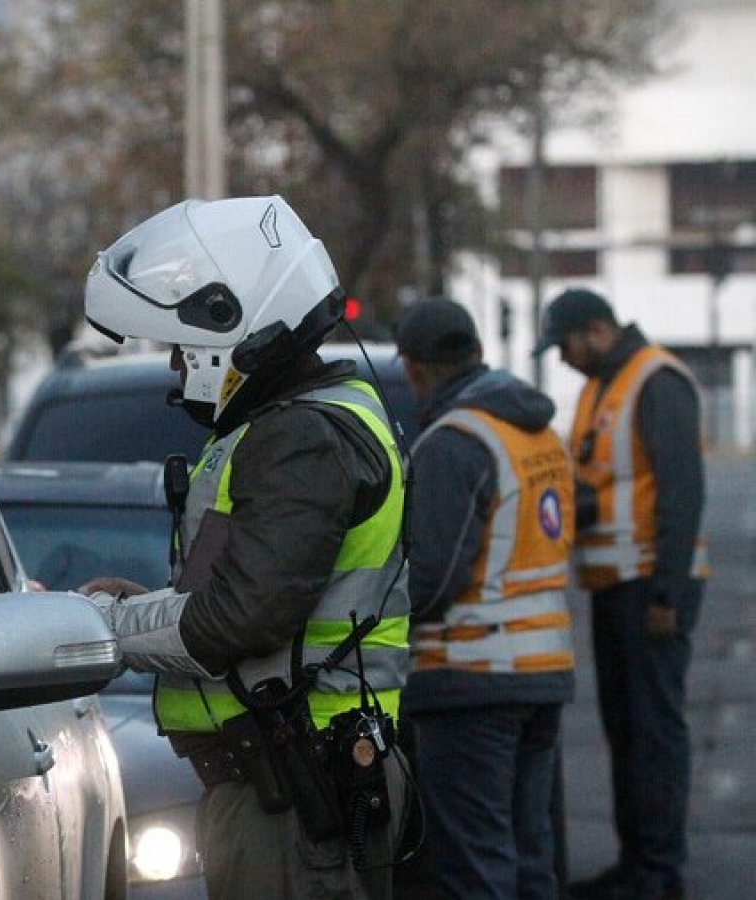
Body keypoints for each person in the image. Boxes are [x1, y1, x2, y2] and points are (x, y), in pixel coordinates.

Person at [77, 196, 412, 900]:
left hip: (299, 783)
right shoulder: (298, 425)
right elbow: (248, 588)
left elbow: (240, 617)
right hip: (287, 777)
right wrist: (141, 608)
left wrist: (96, 630)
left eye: (178, 346)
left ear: (233, 324)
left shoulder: (301, 438)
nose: (174, 366)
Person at [394, 297, 576, 900]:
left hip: (471, 677)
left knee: (475, 865)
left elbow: (433, 579)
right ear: (475, 350)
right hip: (542, 672)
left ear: (413, 369)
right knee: (530, 858)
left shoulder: (453, 442)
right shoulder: (538, 432)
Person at [535, 288, 709, 900]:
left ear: (598, 329)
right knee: (626, 732)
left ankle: (659, 871)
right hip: (614, 586)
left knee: (654, 733)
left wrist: (667, 592)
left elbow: (682, 492)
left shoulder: (655, 380)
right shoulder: (598, 388)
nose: (563, 359)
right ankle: (636, 863)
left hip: (651, 589)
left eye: (566, 344)